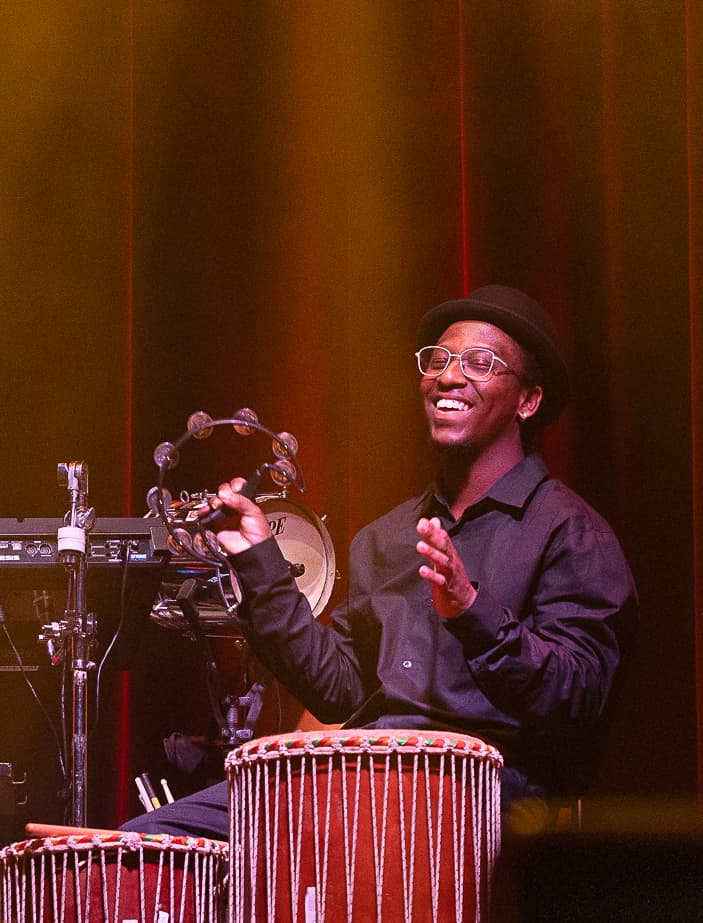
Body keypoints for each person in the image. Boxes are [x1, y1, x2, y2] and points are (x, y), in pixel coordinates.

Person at [126, 285, 637, 837]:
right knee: (144, 845)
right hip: (359, 777)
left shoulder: (569, 532)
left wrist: (472, 610)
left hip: (479, 795)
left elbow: (579, 698)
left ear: (527, 400)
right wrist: (257, 560)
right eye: (437, 360)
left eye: (479, 363)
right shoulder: (387, 537)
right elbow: (340, 689)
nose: (448, 376)